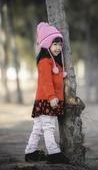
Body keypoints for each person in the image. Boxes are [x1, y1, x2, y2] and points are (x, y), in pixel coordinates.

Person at [25, 22, 69, 164]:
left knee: (38, 128)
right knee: (48, 127)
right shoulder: (45, 61)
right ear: (46, 44)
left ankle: (30, 151)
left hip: (47, 100)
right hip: (47, 100)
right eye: (54, 44)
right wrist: (51, 97)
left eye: (60, 44)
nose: (58, 47)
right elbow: (45, 82)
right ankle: (53, 153)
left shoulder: (55, 62)